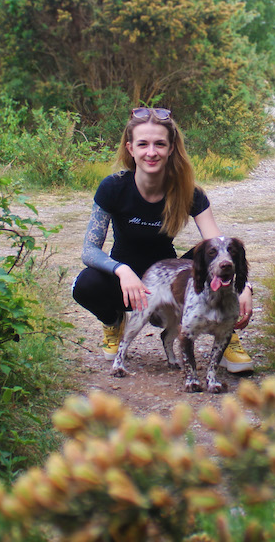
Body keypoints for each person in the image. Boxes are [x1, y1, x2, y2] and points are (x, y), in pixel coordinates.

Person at [71, 106, 254, 372]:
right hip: (125, 284)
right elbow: (89, 250)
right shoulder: (113, 187)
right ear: (130, 148)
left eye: (160, 144)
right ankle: (113, 323)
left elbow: (219, 245)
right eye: (143, 144)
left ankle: (228, 335)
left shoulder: (189, 192)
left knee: (211, 253)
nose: (151, 152)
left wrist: (244, 286)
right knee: (86, 284)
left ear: (171, 149)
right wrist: (121, 270)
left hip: (167, 280)